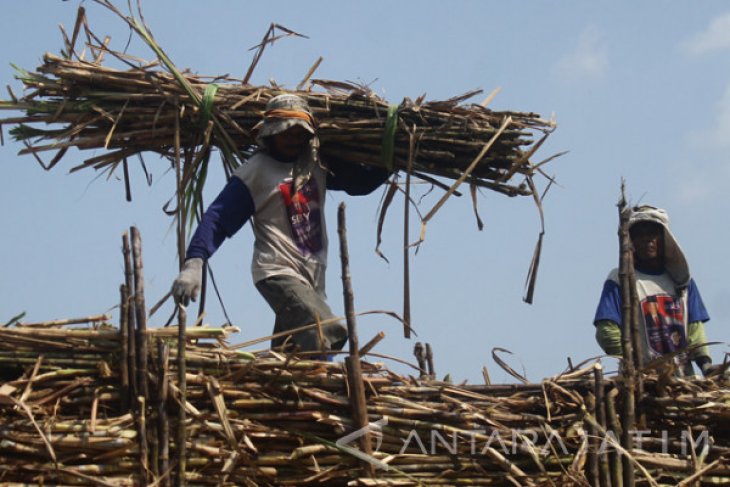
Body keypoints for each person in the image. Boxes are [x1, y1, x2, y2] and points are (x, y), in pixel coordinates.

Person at [172, 94, 390, 353]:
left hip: (311, 280)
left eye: (299, 134)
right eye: (285, 133)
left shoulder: (315, 163)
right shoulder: (256, 170)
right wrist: (194, 264)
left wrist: (394, 156)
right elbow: (218, 218)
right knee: (323, 329)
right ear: (270, 133)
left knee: (294, 360)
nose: (293, 140)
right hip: (276, 272)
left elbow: (359, 183)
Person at [593, 205, 715, 376]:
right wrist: (633, 362)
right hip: (641, 382)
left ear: (664, 238)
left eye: (652, 233)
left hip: (682, 382)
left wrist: (706, 366)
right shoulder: (621, 279)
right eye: (639, 235)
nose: (647, 240)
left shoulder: (682, 280)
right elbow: (606, 330)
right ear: (632, 241)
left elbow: (695, 331)